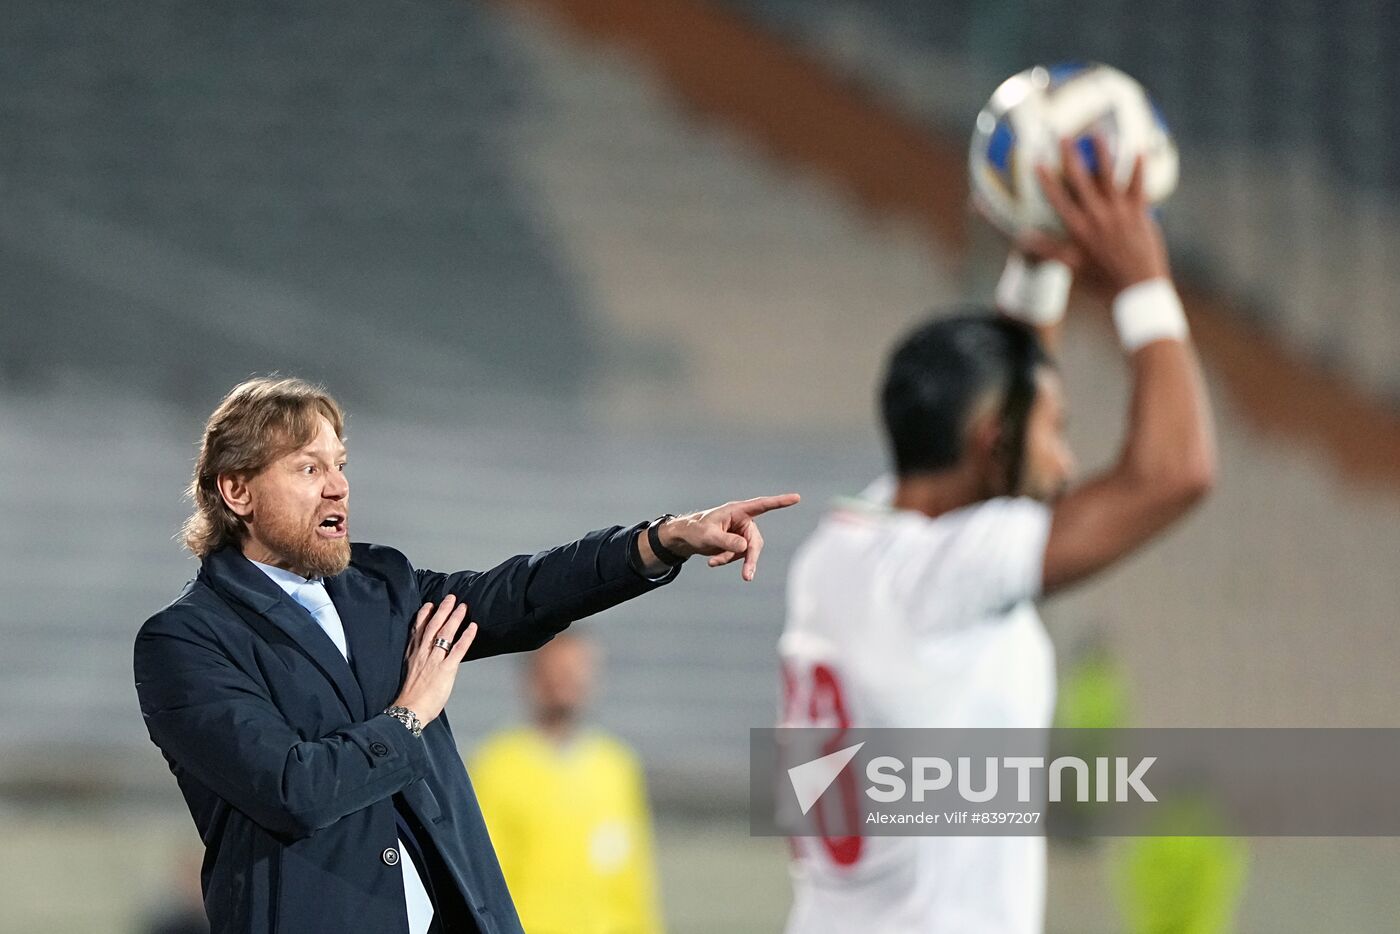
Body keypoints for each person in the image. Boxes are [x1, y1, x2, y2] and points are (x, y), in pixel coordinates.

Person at [133, 376, 798, 934]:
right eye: (309, 468)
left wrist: (661, 541)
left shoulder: (380, 589)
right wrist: (409, 716)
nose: (338, 486)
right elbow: (292, 790)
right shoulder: (185, 643)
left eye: (340, 464)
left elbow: (521, 594)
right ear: (236, 491)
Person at [778, 137, 1216, 933]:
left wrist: (1040, 262)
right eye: (1058, 432)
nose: (1067, 459)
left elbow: (1001, 414)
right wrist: (1144, 282)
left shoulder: (842, 549)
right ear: (993, 446)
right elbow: (1175, 472)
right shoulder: (949, 577)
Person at [471, 633, 663, 934]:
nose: (567, 681)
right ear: (533, 677)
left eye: (576, 670)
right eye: (557, 670)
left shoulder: (617, 766)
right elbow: (482, 878)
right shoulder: (497, 765)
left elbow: (633, 879)